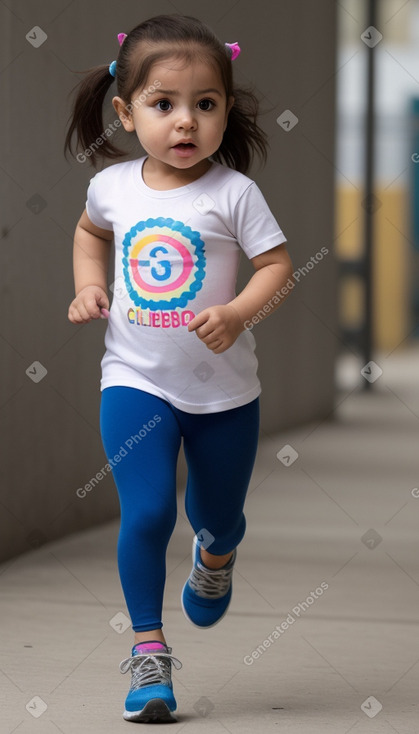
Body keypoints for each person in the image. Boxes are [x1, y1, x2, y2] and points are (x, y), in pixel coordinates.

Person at [65, 13, 293, 724]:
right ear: (127, 113)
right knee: (150, 510)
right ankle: (148, 654)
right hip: (135, 381)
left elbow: (277, 268)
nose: (185, 122)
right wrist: (88, 284)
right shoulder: (112, 187)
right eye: (164, 105)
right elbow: (88, 232)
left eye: (205, 104)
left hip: (225, 396)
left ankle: (216, 558)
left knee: (213, 517)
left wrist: (236, 315)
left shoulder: (233, 194)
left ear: (226, 110)